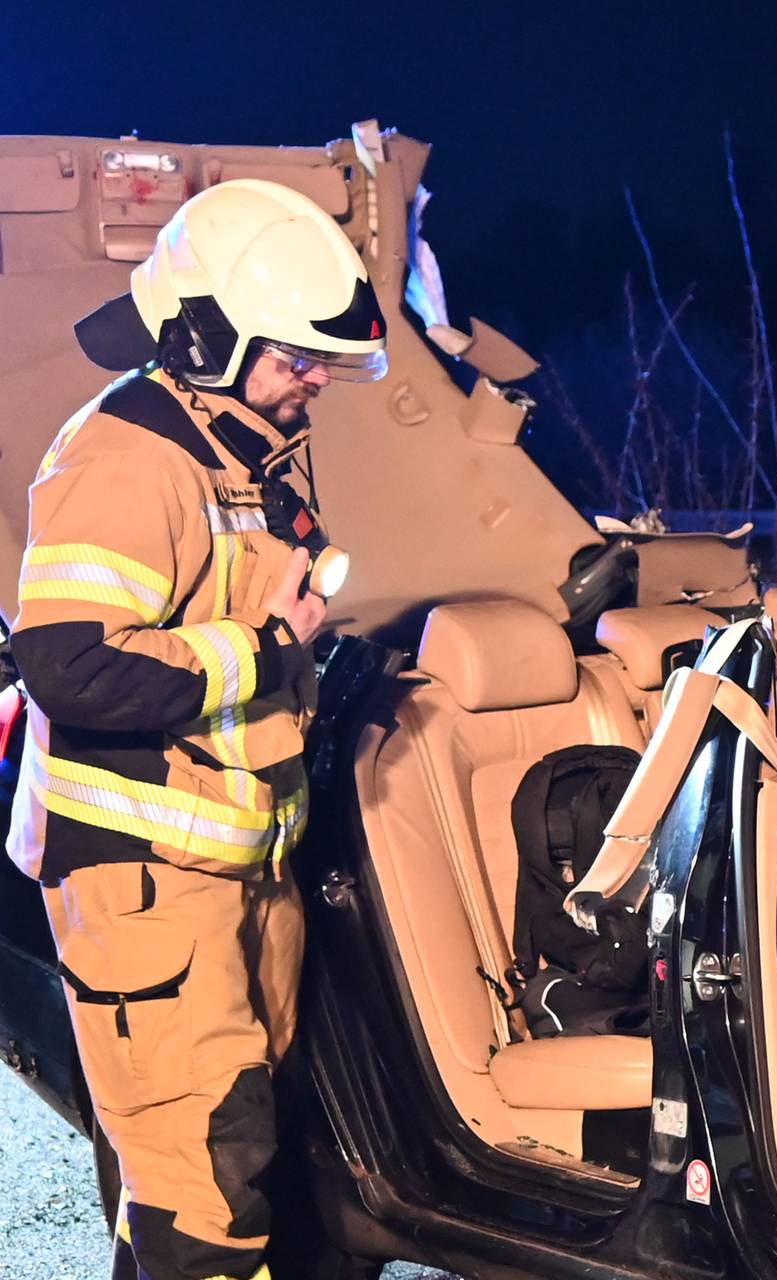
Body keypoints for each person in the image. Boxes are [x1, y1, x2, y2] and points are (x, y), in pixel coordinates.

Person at [11, 178, 387, 1280]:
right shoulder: (128, 456)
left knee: (223, 1161)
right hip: (144, 883)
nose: (314, 376)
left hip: (232, 871)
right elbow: (71, 664)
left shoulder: (235, 446)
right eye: (294, 355)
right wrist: (267, 650)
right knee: (207, 1189)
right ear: (205, 337)